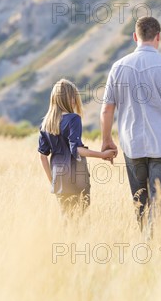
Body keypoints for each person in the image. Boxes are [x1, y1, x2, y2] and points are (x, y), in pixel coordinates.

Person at [100, 16, 161, 230]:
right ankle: (155, 246)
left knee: (140, 204)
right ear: (158, 37)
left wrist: (107, 140)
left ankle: (144, 250)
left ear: (135, 37)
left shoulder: (118, 67)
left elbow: (106, 109)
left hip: (132, 146)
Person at [38, 79, 116, 214]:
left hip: (58, 178)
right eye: (73, 96)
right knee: (79, 218)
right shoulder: (73, 119)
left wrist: (52, 180)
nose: (75, 99)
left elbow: (42, 155)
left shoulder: (45, 123)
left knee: (67, 217)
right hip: (76, 176)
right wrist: (102, 155)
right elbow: (76, 149)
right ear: (67, 99)